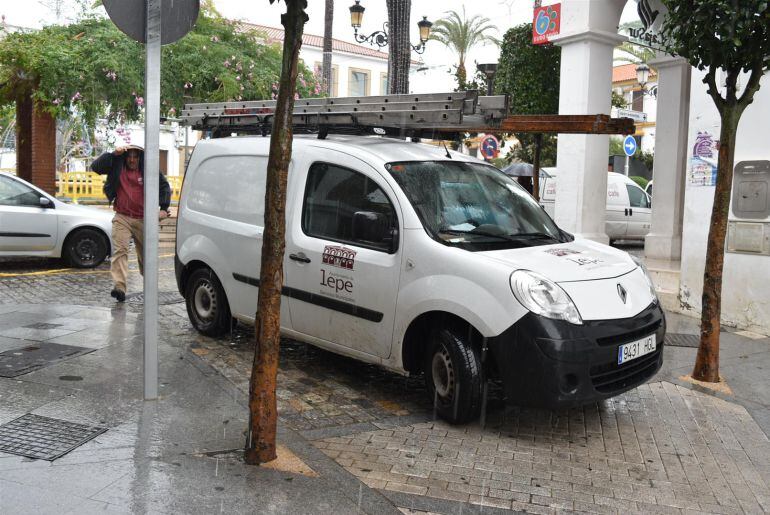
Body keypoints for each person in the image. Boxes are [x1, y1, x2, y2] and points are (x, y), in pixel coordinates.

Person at [91, 145, 171, 302]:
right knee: (120, 250)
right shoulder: (117, 166)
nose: (132, 159)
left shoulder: (149, 170)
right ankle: (119, 287)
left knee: (146, 256)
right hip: (123, 217)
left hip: (144, 219)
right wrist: (113, 154)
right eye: (129, 156)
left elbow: (164, 186)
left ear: (140, 158)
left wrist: (163, 208)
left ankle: (150, 287)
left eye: (135, 156)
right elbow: (95, 167)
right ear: (125, 157)